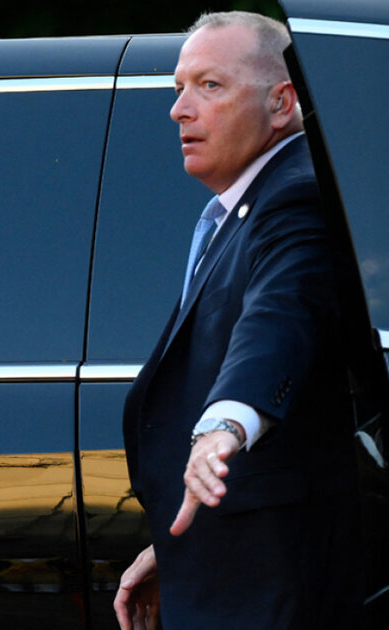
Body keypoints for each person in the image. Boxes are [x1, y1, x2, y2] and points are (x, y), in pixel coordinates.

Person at [114, 12, 364, 629]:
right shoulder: (247, 204)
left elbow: (279, 316)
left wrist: (227, 422)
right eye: (179, 88)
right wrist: (178, 550)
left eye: (210, 86)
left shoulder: (299, 194)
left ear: (281, 103)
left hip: (276, 584)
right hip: (233, 568)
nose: (179, 110)